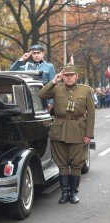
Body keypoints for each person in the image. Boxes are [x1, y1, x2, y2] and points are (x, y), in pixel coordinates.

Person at [38, 64, 95, 204]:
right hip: (59, 130)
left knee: (76, 164)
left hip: (78, 130)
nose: (69, 78)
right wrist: (53, 81)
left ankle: (74, 193)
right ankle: (65, 193)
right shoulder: (56, 88)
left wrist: (88, 134)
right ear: (62, 76)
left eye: (71, 75)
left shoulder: (86, 90)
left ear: (76, 76)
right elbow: (41, 94)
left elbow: (91, 115)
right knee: (62, 163)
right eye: (66, 75)